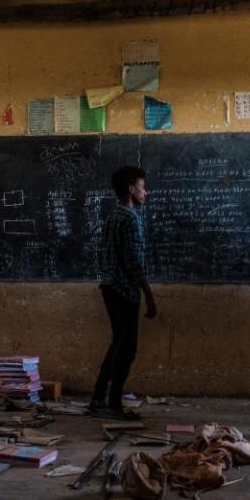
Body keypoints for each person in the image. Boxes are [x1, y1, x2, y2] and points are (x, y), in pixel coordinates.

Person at [89, 166, 158, 419]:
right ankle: (114, 403)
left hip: (110, 286)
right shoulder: (130, 217)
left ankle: (98, 396)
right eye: (142, 187)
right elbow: (133, 261)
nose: (145, 192)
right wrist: (149, 294)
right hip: (124, 290)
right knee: (127, 347)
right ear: (131, 189)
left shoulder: (112, 216)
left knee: (118, 343)